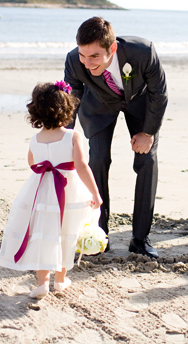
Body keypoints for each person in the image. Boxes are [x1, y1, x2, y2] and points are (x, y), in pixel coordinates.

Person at [64, 17, 168, 259]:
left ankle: (140, 239)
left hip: (140, 104)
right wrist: (64, 138)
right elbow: (69, 101)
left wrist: (148, 133)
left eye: (95, 57)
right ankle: (98, 236)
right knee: (97, 160)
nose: (88, 64)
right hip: (99, 107)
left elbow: (159, 94)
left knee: (147, 161)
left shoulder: (144, 52)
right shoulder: (73, 60)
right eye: (83, 55)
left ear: (112, 48)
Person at [0, 81, 102, 299]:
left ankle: (42, 283)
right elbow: (81, 166)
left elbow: (32, 163)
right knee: (66, 231)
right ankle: (60, 281)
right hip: (68, 188)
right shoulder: (72, 136)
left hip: (42, 189)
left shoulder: (35, 138)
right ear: (67, 108)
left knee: (43, 233)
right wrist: (95, 193)